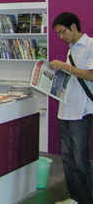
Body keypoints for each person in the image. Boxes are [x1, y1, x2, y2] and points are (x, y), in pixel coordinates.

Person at [50, 12, 93, 204]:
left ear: (74, 27)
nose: (61, 37)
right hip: (65, 108)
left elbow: (91, 75)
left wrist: (66, 67)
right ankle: (74, 196)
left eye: (62, 32)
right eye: (58, 34)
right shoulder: (71, 49)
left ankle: (85, 199)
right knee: (67, 158)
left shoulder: (90, 45)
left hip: (81, 111)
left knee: (80, 159)